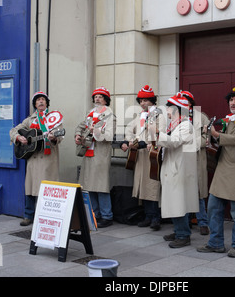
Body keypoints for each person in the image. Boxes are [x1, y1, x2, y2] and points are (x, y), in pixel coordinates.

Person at [197, 86, 235, 257]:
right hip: (223, 169)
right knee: (214, 208)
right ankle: (215, 243)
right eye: (231, 100)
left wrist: (215, 134)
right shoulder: (230, 119)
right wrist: (210, 137)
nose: (233, 103)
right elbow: (221, 142)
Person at [10, 91, 64, 226]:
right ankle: (28, 215)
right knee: (30, 188)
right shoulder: (29, 120)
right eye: (38, 100)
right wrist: (18, 137)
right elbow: (14, 130)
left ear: (47, 103)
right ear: (35, 104)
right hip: (33, 160)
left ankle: (45, 216)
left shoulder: (53, 118)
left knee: (46, 189)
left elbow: (61, 135)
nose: (40, 102)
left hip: (48, 159)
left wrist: (54, 137)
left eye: (43, 100)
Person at [153, 92, 199, 248]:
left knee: (178, 202)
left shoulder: (186, 125)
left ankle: (183, 235)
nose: (166, 110)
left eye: (169, 107)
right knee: (174, 202)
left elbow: (174, 142)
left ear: (176, 109)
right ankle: (179, 230)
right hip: (172, 167)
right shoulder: (175, 124)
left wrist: (159, 133)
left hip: (179, 169)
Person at [121, 85, 166, 230]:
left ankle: (155, 218)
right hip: (140, 155)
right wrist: (129, 141)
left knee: (152, 186)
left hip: (152, 154)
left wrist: (147, 143)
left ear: (152, 101)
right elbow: (129, 129)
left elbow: (161, 133)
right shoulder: (140, 116)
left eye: (146, 100)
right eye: (140, 101)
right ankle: (148, 215)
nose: (142, 103)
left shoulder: (160, 115)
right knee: (143, 188)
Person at [75, 87, 114, 228]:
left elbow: (109, 136)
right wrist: (78, 134)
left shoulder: (110, 115)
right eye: (95, 96)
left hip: (100, 154)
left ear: (106, 100)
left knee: (101, 186)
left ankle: (106, 216)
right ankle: (94, 214)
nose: (97, 99)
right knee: (89, 185)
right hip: (88, 152)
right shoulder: (90, 113)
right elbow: (80, 126)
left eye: (100, 97)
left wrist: (96, 131)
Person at [180, 90, 210, 236]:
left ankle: (202, 222)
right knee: (183, 192)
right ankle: (184, 224)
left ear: (191, 102)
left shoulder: (201, 117)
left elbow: (207, 138)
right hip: (180, 159)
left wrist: (192, 143)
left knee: (198, 192)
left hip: (197, 159)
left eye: (187, 101)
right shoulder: (175, 118)